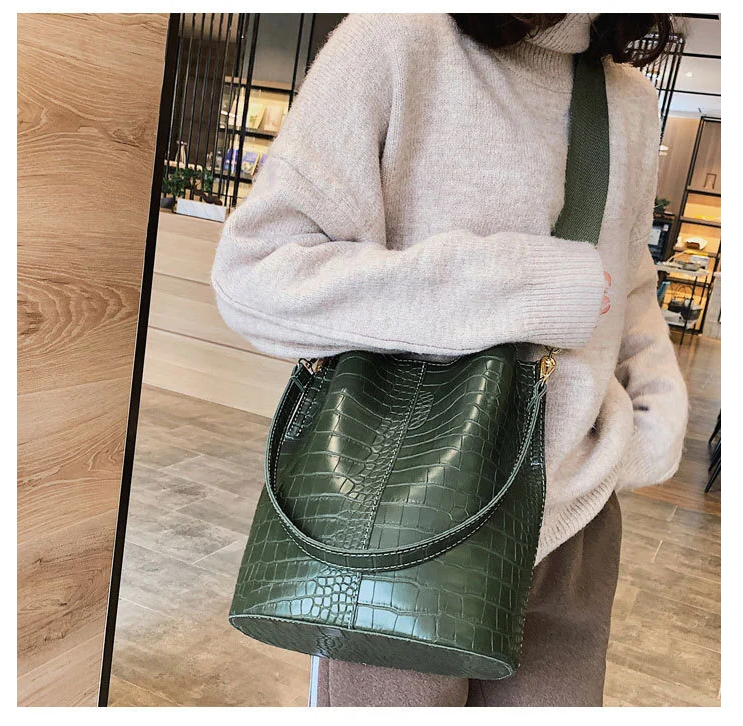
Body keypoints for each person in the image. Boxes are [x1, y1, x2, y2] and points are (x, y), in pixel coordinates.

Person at [211, 13, 689, 707]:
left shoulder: (630, 100)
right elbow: (256, 273)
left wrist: (656, 416)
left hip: (577, 524)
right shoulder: (395, 41)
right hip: (407, 516)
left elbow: (629, 284)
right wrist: (526, 284)